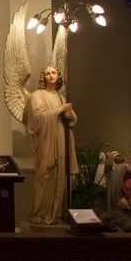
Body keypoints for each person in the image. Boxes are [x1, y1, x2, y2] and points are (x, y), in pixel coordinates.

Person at [26, 65, 79, 225]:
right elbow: (37, 118)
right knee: (45, 175)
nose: (51, 76)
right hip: (46, 142)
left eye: (54, 73)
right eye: (47, 73)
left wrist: (70, 115)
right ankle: (40, 213)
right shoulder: (37, 95)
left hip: (61, 138)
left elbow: (72, 119)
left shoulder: (61, 97)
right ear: (43, 77)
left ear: (58, 76)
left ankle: (56, 214)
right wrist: (59, 110)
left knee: (60, 174)